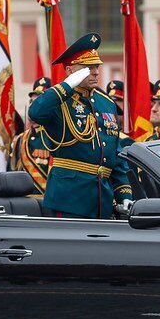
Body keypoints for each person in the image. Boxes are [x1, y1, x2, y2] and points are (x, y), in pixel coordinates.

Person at [28, 33, 134, 219]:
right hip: (70, 198)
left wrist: (124, 194)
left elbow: (114, 156)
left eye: (96, 66)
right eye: (87, 67)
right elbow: (36, 112)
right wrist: (67, 85)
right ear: (70, 71)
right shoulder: (59, 100)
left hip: (102, 199)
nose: (95, 72)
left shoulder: (106, 103)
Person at [9, 77, 53, 195]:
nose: (33, 105)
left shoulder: (58, 138)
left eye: (38, 101)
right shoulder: (20, 140)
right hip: (25, 205)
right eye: (31, 102)